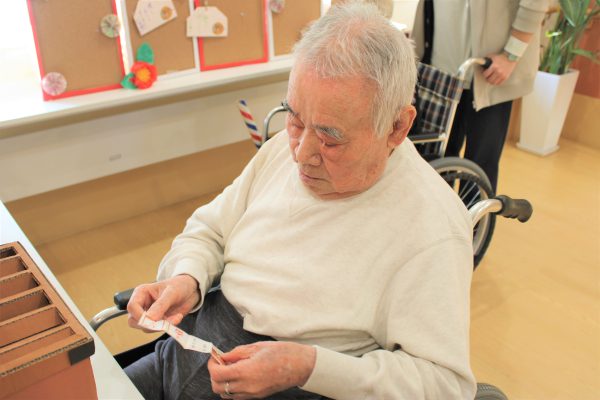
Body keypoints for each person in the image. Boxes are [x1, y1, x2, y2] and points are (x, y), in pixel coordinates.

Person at [125, 2, 476, 399]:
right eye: (294, 119)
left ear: (397, 127)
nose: (301, 154)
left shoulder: (431, 228)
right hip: (184, 351)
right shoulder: (281, 149)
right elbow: (210, 230)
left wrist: (308, 367)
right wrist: (187, 277)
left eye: (330, 138)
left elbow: (445, 385)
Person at [412, 0, 549, 192]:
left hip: (489, 71)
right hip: (441, 66)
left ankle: (475, 211)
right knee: (434, 157)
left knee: (479, 167)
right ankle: (438, 211)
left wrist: (511, 55)